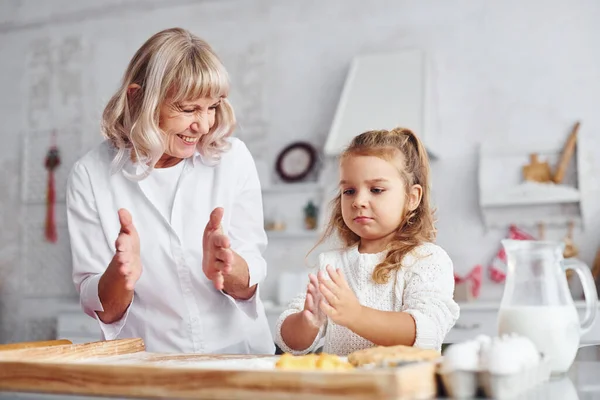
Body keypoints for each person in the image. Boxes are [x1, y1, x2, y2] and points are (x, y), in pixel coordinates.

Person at [66, 27, 274, 354]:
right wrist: (121, 273)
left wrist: (227, 264)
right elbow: (101, 306)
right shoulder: (90, 175)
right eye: (188, 109)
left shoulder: (233, 159)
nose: (204, 125)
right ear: (137, 98)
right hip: (152, 363)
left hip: (239, 356)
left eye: (213, 106)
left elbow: (250, 279)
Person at [274, 128, 460, 355]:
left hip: (401, 388)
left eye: (376, 190)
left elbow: (428, 331)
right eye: (349, 191)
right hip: (342, 389)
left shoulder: (426, 260)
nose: (359, 201)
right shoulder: (332, 264)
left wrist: (357, 315)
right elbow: (290, 344)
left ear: (412, 198)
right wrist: (307, 323)